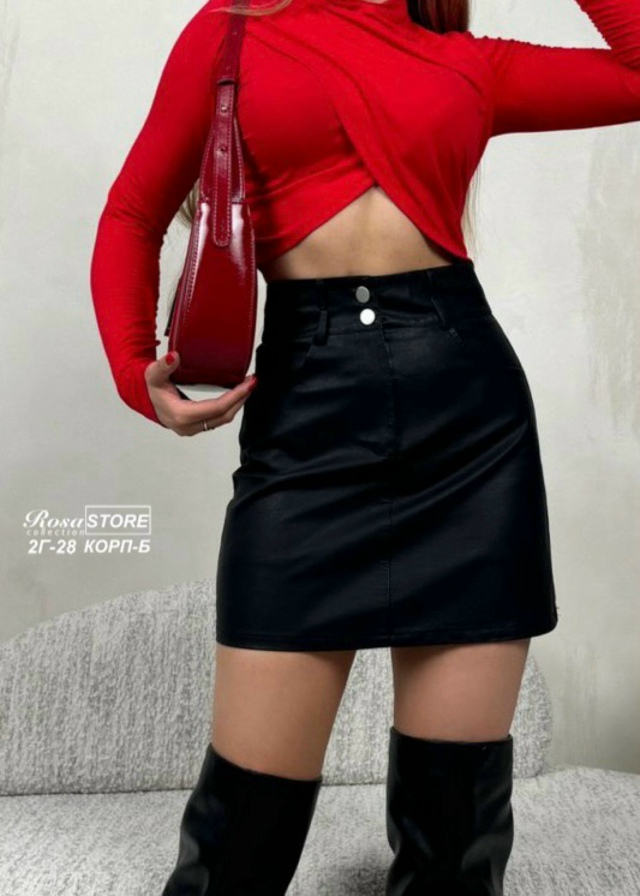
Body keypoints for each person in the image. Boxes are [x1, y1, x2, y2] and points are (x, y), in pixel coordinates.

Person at [89, 0, 640, 892]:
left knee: (455, 848)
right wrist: (132, 365)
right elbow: (132, 211)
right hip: (306, 422)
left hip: (472, 431)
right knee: (238, 847)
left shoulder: (467, 62)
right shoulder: (233, 29)